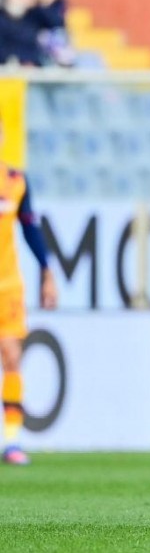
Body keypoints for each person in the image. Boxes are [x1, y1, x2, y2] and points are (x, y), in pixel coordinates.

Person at [0, 159, 58, 465]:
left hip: (7, 286)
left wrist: (47, 270)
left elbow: (30, 227)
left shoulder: (15, 180)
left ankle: (11, 441)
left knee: (11, 356)